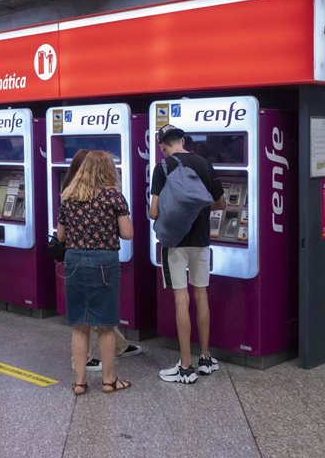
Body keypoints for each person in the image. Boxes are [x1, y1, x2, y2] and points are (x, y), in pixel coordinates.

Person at [149, 124, 225, 384]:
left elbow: (153, 211)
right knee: (201, 295)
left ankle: (185, 367)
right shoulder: (204, 164)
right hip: (201, 240)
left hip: (175, 242)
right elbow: (220, 203)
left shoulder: (162, 167)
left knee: (181, 299)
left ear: (162, 146)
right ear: (183, 140)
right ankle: (205, 358)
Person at [56, 150, 134, 395]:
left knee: (79, 325)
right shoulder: (114, 197)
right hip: (104, 262)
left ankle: (80, 382)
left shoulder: (69, 196)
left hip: (74, 261)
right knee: (106, 325)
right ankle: (109, 381)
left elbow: (61, 236)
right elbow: (127, 233)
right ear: (108, 170)